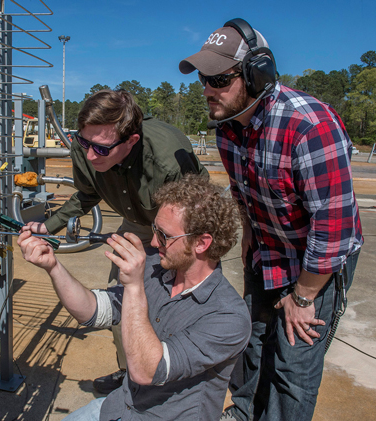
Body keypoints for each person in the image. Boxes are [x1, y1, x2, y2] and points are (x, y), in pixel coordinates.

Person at [178, 18, 363, 421]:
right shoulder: (228, 128)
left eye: (219, 79)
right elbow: (242, 186)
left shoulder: (308, 125)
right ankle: (245, 413)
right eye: (204, 80)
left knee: (292, 365)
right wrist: (248, 229)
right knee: (253, 340)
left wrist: (304, 297)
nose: (208, 89)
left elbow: (334, 227)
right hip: (268, 247)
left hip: (317, 260)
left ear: (256, 75)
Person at [18, 174, 251, 421]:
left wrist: (133, 286)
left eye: (164, 236)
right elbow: (92, 311)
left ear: (202, 244)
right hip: (120, 406)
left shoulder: (229, 317)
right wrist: (53, 266)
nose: (153, 242)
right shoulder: (157, 269)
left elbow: (148, 370)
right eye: (154, 230)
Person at [23, 89, 207, 393]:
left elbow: (193, 218)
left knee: (181, 302)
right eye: (85, 143)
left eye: (102, 149)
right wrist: (48, 226)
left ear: (131, 141)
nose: (90, 154)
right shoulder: (87, 145)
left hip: (184, 225)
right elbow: (87, 194)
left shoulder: (167, 160)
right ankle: (131, 373)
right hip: (137, 222)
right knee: (123, 300)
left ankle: (180, 383)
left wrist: (171, 261)